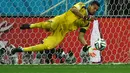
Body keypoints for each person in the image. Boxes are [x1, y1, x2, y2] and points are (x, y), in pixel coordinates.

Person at [11, 1, 100, 57]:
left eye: (96, 9)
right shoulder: (82, 5)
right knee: (49, 25)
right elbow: (73, 10)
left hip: (62, 31)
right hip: (60, 20)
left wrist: (87, 46)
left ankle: (21, 49)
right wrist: (85, 17)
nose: (95, 10)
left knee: (48, 46)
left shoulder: (87, 23)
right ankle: (31, 26)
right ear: (90, 5)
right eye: (94, 7)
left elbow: (81, 36)